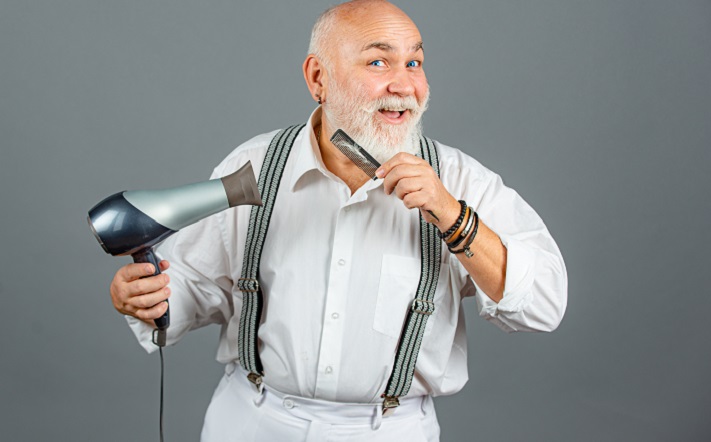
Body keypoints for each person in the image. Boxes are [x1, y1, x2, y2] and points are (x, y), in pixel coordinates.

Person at [109, 1, 568, 440]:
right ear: (318, 78)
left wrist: (451, 214)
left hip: (390, 432)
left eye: (414, 63)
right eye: (378, 63)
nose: (405, 85)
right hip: (252, 421)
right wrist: (145, 297)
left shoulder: (461, 180)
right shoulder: (253, 167)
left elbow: (544, 304)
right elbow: (193, 288)